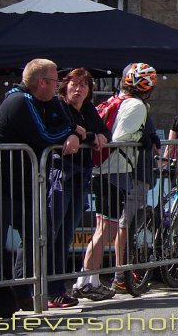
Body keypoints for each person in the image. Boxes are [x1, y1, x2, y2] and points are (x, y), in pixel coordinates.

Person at [0, 59, 80, 311]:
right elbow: (45, 135)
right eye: (56, 82)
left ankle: (22, 292)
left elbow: (68, 122)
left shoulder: (48, 101)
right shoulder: (20, 100)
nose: (59, 87)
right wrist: (72, 133)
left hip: (24, 178)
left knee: (35, 234)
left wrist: (73, 131)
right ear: (41, 83)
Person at [75, 63, 160, 298]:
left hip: (104, 169)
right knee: (105, 229)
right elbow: (119, 137)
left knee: (103, 228)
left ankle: (87, 278)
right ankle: (86, 280)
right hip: (115, 170)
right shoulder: (136, 105)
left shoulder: (118, 100)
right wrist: (139, 137)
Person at [45, 68, 110, 308]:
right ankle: (46, 289)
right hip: (59, 176)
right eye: (74, 84)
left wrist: (92, 135)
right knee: (52, 233)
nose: (78, 89)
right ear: (64, 86)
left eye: (83, 85)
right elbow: (63, 132)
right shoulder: (58, 106)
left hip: (80, 176)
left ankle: (56, 289)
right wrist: (86, 135)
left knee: (65, 235)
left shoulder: (89, 109)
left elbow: (103, 132)